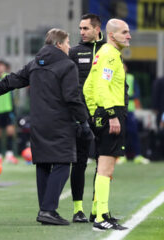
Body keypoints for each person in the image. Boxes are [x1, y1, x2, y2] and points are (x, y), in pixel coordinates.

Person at [0, 28, 90, 225]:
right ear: (58, 44)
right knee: (63, 163)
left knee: (44, 164)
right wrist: (83, 120)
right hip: (60, 123)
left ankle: (45, 209)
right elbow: (72, 97)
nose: (70, 47)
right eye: (67, 43)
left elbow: (13, 80)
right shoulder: (67, 65)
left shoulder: (35, 63)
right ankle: (48, 210)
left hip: (38, 122)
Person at [83, 18, 131, 231]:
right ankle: (101, 217)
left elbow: (88, 87)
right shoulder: (110, 55)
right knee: (106, 168)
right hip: (112, 113)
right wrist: (110, 114)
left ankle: (98, 210)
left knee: (105, 167)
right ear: (112, 35)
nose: (129, 36)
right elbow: (102, 85)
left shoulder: (103, 53)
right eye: (124, 32)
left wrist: (95, 113)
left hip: (105, 112)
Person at [68, 13, 105, 223]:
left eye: (85, 29)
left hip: (104, 115)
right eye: (80, 29)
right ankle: (78, 209)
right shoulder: (73, 52)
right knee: (80, 163)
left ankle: (97, 208)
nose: (81, 32)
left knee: (103, 163)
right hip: (81, 117)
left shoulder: (108, 51)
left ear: (96, 29)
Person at [117, 64, 150, 164]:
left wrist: (126, 97)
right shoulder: (115, 78)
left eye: (124, 67)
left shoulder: (131, 78)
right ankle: (121, 156)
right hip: (119, 109)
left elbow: (137, 93)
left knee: (133, 133)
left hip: (130, 110)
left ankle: (138, 155)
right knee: (121, 133)